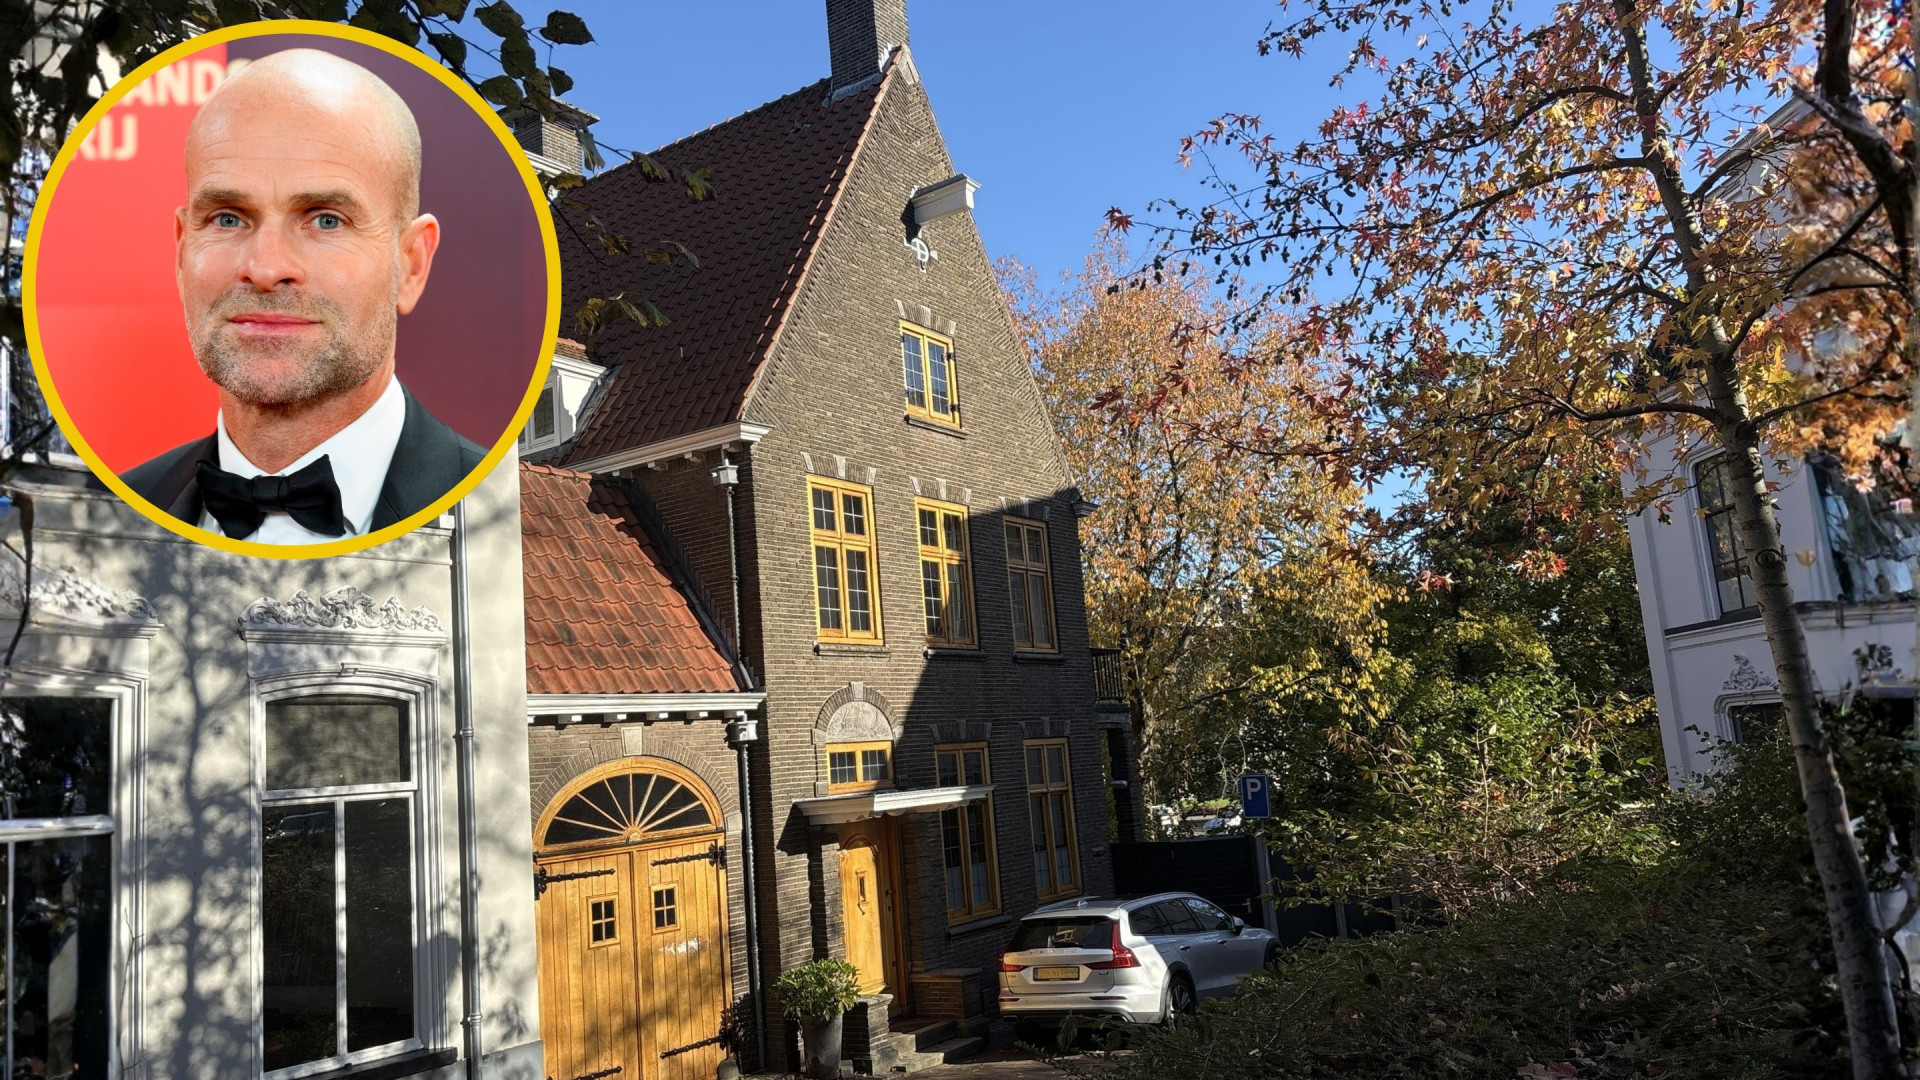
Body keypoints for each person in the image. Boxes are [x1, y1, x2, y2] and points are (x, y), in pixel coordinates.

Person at [120, 48, 484, 543]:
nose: (267, 268)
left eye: (325, 220)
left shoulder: (500, 508)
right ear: (183, 254)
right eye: (228, 218)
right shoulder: (120, 506)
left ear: (412, 264)